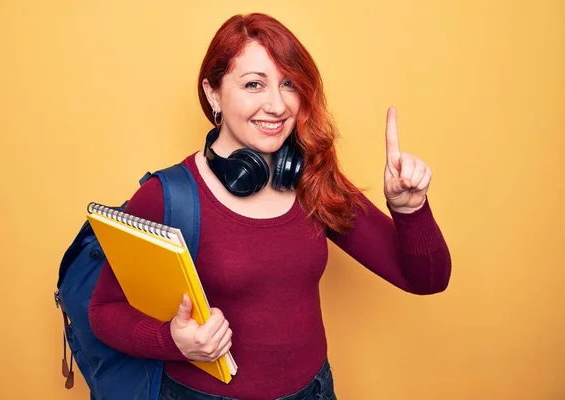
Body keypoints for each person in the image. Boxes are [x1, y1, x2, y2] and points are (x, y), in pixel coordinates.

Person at [89, 12, 451, 400]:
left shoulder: (313, 181)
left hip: (314, 391)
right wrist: (174, 342)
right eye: (253, 84)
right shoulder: (168, 195)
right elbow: (104, 311)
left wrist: (410, 209)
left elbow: (426, 280)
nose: (277, 105)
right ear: (213, 93)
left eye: (288, 84)